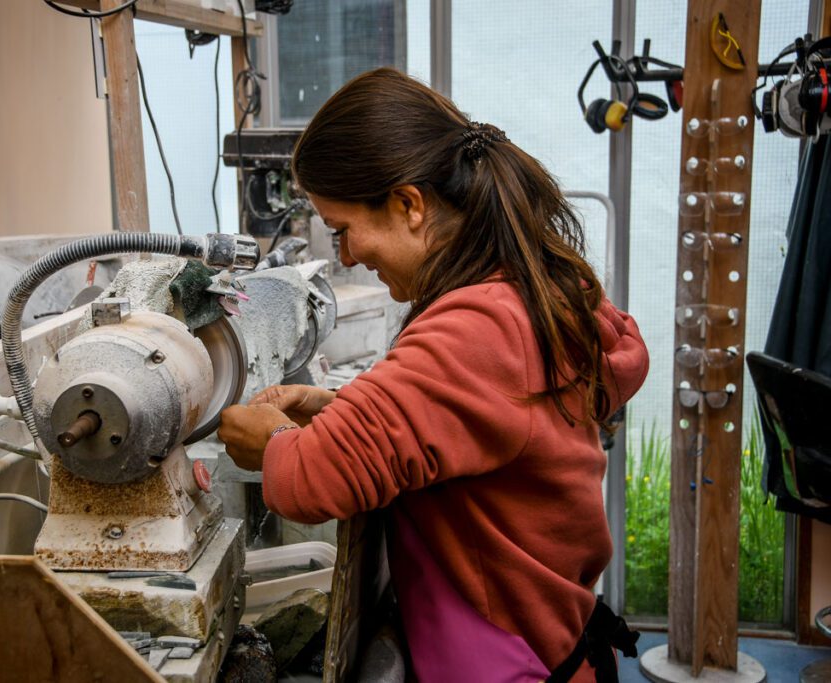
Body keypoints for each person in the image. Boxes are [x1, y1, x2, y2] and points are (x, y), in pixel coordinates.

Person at [218, 67, 649, 682]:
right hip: (553, 646)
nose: (344, 256)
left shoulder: (481, 324)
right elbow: (459, 419)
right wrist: (336, 408)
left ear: (409, 205)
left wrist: (271, 443)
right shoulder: (523, 290)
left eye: (343, 230)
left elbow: (319, 478)